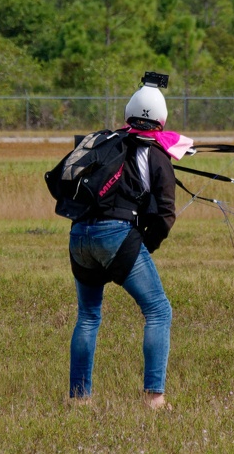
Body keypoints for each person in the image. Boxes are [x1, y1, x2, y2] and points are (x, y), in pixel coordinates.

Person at [66, 79, 191, 409]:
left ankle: (79, 399)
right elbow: (165, 215)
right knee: (158, 310)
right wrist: (142, 247)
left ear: (129, 115)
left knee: (88, 316)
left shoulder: (105, 143)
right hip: (116, 237)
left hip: (78, 234)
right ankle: (154, 396)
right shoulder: (157, 155)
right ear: (162, 119)